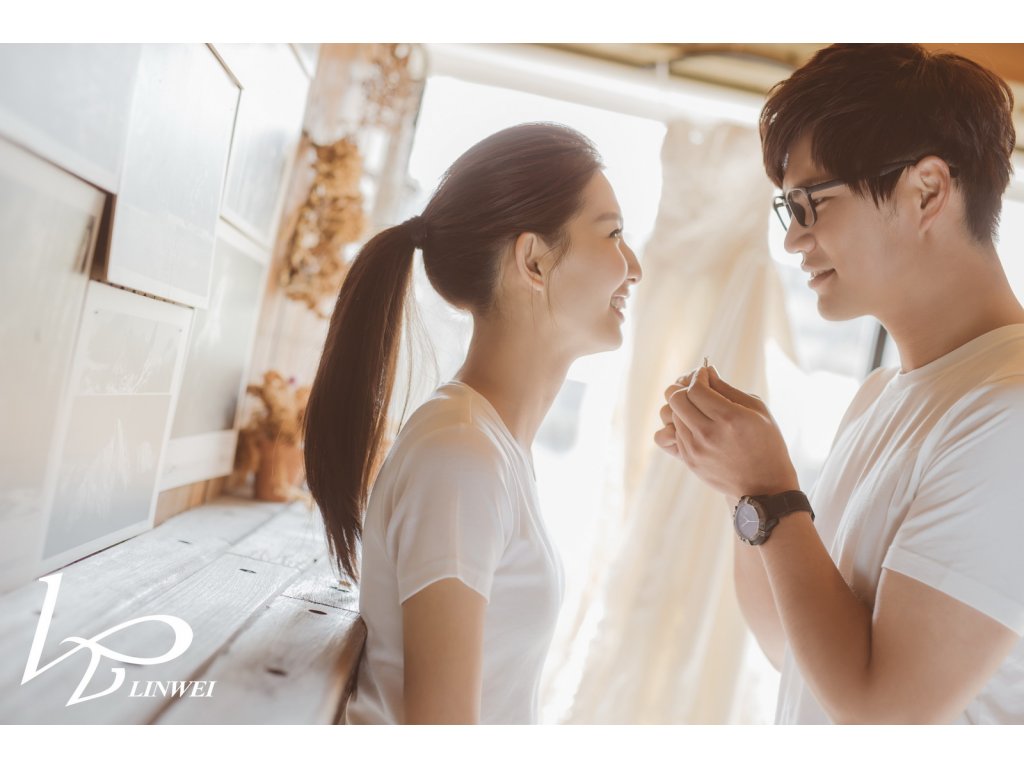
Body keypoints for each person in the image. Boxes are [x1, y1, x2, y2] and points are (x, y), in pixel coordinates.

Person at [655, 44, 1024, 724]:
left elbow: (882, 715)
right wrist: (743, 487)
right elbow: (790, 649)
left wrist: (769, 488)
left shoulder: (1010, 413)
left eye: (811, 203)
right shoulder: (878, 395)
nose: (793, 240)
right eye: (786, 208)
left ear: (927, 192)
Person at [303, 123, 641, 724]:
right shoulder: (461, 457)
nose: (633, 267)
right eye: (613, 234)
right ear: (533, 261)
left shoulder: (487, 448)